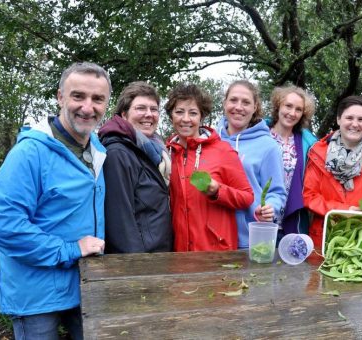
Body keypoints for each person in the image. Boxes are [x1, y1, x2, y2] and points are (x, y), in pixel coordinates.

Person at [0, 62, 111, 339]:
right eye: (78, 96)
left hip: (83, 284)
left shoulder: (97, 152)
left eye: (97, 99)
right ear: (60, 97)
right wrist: (71, 249)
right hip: (35, 295)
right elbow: (5, 227)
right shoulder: (30, 153)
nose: (88, 107)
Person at [303, 95, 362, 246]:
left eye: (361, 119)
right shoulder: (317, 153)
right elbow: (310, 195)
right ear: (338, 120)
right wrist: (345, 212)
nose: (355, 124)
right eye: (349, 118)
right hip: (325, 237)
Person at [166, 84, 254, 251]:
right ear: (171, 116)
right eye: (179, 112)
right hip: (179, 252)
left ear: (201, 117)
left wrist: (218, 191)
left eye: (193, 113)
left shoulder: (222, 151)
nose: (185, 119)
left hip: (216, 251)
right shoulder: (167, 153)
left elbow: (247, 197)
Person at [98, 81, 172, 253]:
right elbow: (120, 221)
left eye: (154, 109)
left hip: (159, 254)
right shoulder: (118, 153)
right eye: (141, 108)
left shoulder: (155, 150)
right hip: (140, 261)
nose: (149, 114)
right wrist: (136, 268)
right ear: (124, 115)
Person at [218, 80, 287, 248]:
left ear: (255, 107)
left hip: (249, 241)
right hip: (214, 238)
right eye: (233, 100)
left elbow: (277, 193)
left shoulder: (268, 146)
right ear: (225, 103)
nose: (239, 107)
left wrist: (270, 207)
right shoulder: (212, 140)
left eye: (246, 102)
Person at [268, 85, 318, 236]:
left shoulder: (309, 143)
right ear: (278, 106)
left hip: (291, 217)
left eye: (298, 109)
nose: (292, 113)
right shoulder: (260, 135)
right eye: (288, 106)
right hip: (260, 215)